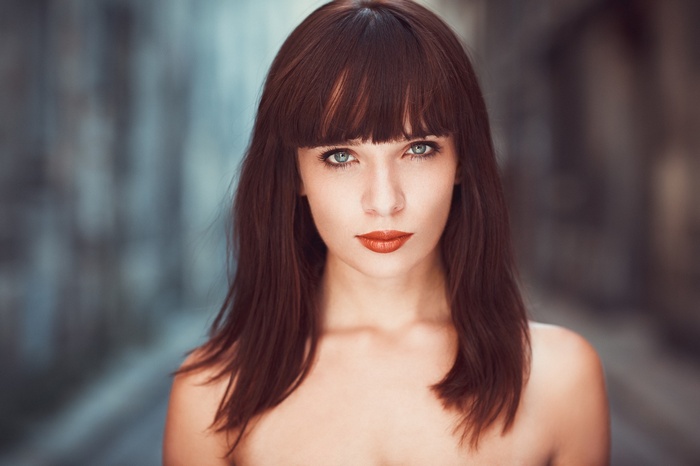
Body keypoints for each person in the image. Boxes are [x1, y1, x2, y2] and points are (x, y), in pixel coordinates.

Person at [163, 0, 610, 464]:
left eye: (418, 148)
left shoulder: (558, 378)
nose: (383, 200)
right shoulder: (211, 394)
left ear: (462, 161)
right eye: (340, 156)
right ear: (294, 173)